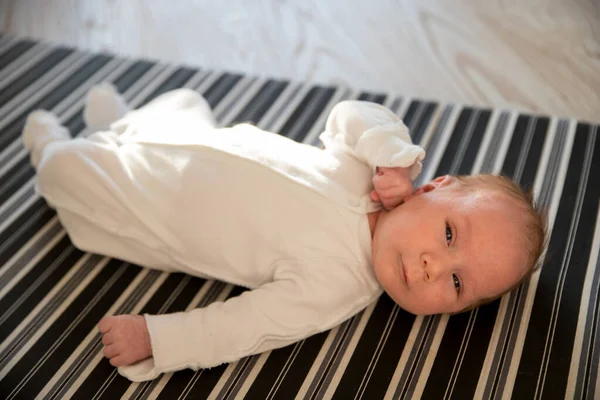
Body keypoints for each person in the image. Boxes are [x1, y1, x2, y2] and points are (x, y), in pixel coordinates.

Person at [21, 85, 546, 382]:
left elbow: (246, 326)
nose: (435, 266)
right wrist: (391, 153)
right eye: (450, 236)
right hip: (197, 142)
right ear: (433, 186)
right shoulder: (372, 173)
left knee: (66, 175)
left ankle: (56, 147)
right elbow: (347, 116)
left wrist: (158, 338)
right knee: (182, 102)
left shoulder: (335, 286)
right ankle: (124, 123)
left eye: (457, 286)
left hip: (152, 205)